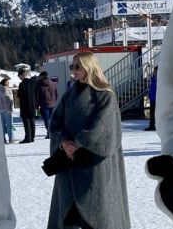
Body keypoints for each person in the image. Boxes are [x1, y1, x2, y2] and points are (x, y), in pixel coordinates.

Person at [46, 52, 130, 229]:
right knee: (67, 216)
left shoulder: (105, 95)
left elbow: (105, 129)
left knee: (98, 216)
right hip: (68, 165)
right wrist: (63, 142)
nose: (73, 70)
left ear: (90, 67)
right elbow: (55, 123)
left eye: (78, 66)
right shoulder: (68, 96)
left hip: (94, 168)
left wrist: (78, 142)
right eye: (72, 66)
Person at [17, 67, 40, 143]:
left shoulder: (21, 84)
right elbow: (37, 94)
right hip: (34, 105)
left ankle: (28, 138)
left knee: (27, 123)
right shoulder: (34, 83)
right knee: (32, 122)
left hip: (25, 106)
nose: (19, 78)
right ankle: (32, 137)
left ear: (21, 75)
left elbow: (20, 95)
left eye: (19, 76)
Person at [38, 71, 58, 139]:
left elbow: (38, 96)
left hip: (44, 104)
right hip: (53, 104)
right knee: (52, 119)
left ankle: (49, 133)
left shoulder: (40, 85)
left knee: (46, 120)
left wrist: (38, 105)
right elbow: (56, 93)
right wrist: (55, 101)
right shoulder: (53, 83)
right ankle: (53, 132)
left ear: (42, 76)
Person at [0, 77, 15, 144]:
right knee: (9, 125)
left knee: (3, 126)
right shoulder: (5, 89)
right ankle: (11, 139)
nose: (8, 83)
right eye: (7, 82)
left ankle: (3, 139)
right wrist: (10, 109)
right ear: (5, 82)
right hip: (7, 110)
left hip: (1, 109)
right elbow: (7, 99)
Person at [144, 66, 158, 131]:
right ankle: (152, 125)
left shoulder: (160, 80)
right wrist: (149, 96)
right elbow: (151, 88)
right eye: (154, 71)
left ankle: (156, 125)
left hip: (157, 99)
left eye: (155, 71)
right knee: (152, 112)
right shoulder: (153, 79)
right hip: (152, 98)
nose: (154, 72)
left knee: (156, 113)